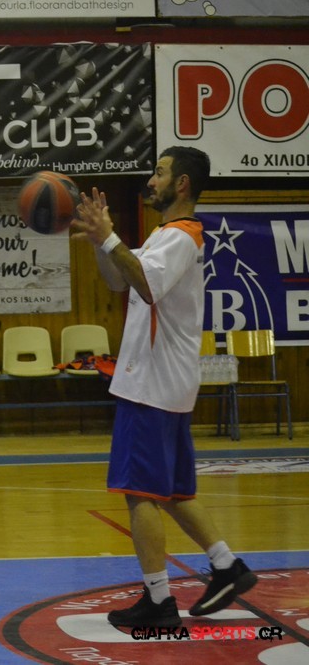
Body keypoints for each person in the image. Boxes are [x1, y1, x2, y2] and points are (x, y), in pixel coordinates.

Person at [72, 146, 257, 628]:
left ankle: (159, 601)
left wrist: (111, 237)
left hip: (151, 385)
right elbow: (120, 281)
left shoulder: (180, 236)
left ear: (181, 184)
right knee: (174, 492)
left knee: (140, 494)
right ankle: (227, 567)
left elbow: (146, 286)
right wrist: (100, 241)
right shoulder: (165, 236)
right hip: (166, 382)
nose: (151, 181)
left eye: (159, 173)